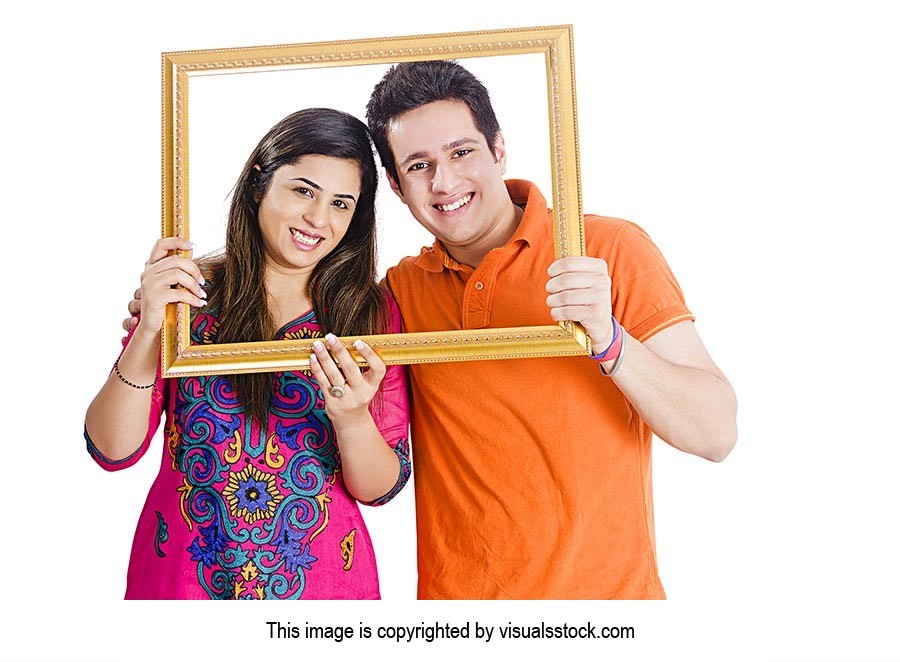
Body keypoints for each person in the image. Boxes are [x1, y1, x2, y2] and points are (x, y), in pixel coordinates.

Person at [126, 62, 739, 599]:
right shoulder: (397, 296)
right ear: (394, 187)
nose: (444, 183)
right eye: (419, 165)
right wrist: (156, 329)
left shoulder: (605, 250)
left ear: (499, 149)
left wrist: (609, 340)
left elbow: (715, 432)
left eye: (461, 152)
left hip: (604, 612)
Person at [88, 108, 410, 600]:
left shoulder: (372, 315)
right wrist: (149, 330)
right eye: (304, 190)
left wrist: (351, 418)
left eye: (342, 203)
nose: (318, 219)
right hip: (182, 585)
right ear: (260, 182)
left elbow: (379, 488)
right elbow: (113, 450)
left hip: (321, 594)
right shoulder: (191, 293)